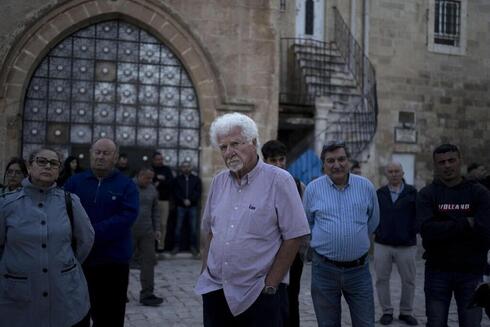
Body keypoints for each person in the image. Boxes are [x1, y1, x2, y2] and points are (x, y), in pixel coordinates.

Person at [195, 112, 310, 327]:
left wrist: (271, 284)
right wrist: (205, 274)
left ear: (254, 142)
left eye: (235, 144)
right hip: (216, 291)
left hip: (258, 294)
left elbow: (294, 236)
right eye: (223, 147)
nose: (229, 152)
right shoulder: (219, 181)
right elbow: (210, 230)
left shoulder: (279, 180)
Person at [0, 148, 94, 327]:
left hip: (64, 297)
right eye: (41, 161)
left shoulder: (70, 202)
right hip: (18, 298)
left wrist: (63, 264)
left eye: (53, 163)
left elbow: (86, 240)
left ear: (59, 171)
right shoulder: (6, 204)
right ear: (29, 167)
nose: (47, 166)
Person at [303, 142, 380, 326]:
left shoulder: (366, 187)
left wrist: (353, 238)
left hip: (359, 271)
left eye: (341, 159)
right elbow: (308, 223)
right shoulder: (313, 189)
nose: (337, 165)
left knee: (365, 323)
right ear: (323, 164)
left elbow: (373, 221)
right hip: (324, 271)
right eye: (330, 161)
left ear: (349, 161)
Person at [64, 138, 139, 327]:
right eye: (97, 152)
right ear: (90, 153)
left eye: (106, 153)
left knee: (110, 318)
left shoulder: (127, 185)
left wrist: (90, 233)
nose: (100, 157)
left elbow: (127, 216)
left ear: (115, 157)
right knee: (76, 317)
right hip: (79, 262)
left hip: (113, 263)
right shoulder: (74, 182)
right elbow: (63, 212)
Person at [417, 143, 490, 327]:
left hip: (471, 273)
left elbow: (484, 229)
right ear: (436, 165)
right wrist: (466, 222)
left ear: (460, 161)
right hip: (437, 271)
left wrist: (443, 226)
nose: (447, 165)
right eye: (441, 162)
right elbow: (426, 230)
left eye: (451, 160)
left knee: (471, 324)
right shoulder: (427, 194)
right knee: (436, 323)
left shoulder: (479, 193)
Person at [261, 139, 306, 327]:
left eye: (282, 159)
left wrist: (300, 251)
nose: (279, 164)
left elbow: (303, 221)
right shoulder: (258, 185)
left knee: (291, 297)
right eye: (274, 160)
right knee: (267, 299)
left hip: (292, 254)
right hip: (266, 254)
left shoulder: (297, 185)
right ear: (265, 161)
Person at [374, 162, 418, 325]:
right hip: (383, 243)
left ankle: (406, 312)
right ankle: (387, 311)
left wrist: (412, 231)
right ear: (386, 174)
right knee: (381, 279)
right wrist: (378, 231)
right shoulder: (380, 193)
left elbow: (418, 215)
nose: (394, 174)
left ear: (402, 172)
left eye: (397, 171)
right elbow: (373, 214)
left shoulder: (412, 192)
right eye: (390, 171)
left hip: (406, 244)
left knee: (409, 280)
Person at [131, 166, 163, 306]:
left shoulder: (152, 189)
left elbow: (156, 210)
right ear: (139, 175)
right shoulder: (128, 187)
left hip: (147, 232)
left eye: (151, 178)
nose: (150, 181)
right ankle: (120, 293)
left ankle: (147, 294)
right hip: (128, 232)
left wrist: (157, 229)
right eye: (147, 178)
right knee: (123, 262)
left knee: (149, 262)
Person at [172, 161, 202, 257]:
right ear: (181, 168)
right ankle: (176, 246)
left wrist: (190, 200)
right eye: (184, 167)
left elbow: (198, 192)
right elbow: (175, 192)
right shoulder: (177, 179)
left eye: (188, 166)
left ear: (191, 168)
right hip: (180, 206)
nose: (186, 168)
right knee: (178, 227)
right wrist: (183, 200)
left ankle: (193, 247)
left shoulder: (196, 179)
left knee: (193, 228)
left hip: (192, 207)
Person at [151, 151, 174, 252]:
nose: (159, 161)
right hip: (151, 201)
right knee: (150, 224)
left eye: (161, 159)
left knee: (163, 224)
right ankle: (151, 246)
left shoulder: (166, 169)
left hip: (164, 200)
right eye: (157, 159)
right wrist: (159, 180)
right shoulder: (150, 169)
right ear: (153, 160)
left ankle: (160, 246)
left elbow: (170, 183)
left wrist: (159, 181)